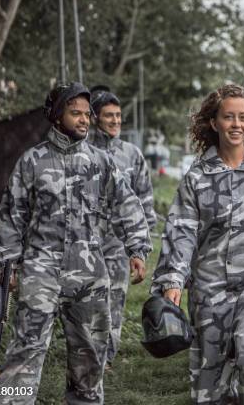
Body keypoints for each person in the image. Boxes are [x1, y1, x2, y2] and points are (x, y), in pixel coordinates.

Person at [0, 82, 152, 404]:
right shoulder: (32, 162)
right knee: (25, 349)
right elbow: (12, 215)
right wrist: (8, 264)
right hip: (41, 269)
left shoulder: (101, 162)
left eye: (85, 114)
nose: (83, 119)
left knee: (89, 358)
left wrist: (137, 248)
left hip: (90, 273)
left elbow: (126, 204)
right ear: (55, 115)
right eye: (74, 112)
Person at [150, 84, 244, 404]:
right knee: (211, 376)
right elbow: (181, 230)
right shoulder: (197, 176)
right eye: (229, 117)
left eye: (243, 117)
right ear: (213, 122)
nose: (236, 124)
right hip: (210, 285)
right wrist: (173, 280)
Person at [88, 87, 157, 369]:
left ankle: (106, 357)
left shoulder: (132, 154)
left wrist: (139, 246)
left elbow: (145, 200)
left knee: (114, 302)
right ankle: (86, 352)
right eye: (109, 116)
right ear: (95, 118)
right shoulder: (84, 151)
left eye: (118, 116)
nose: (116, 121)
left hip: (118, 244)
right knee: (88, 301)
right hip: (88, 243)